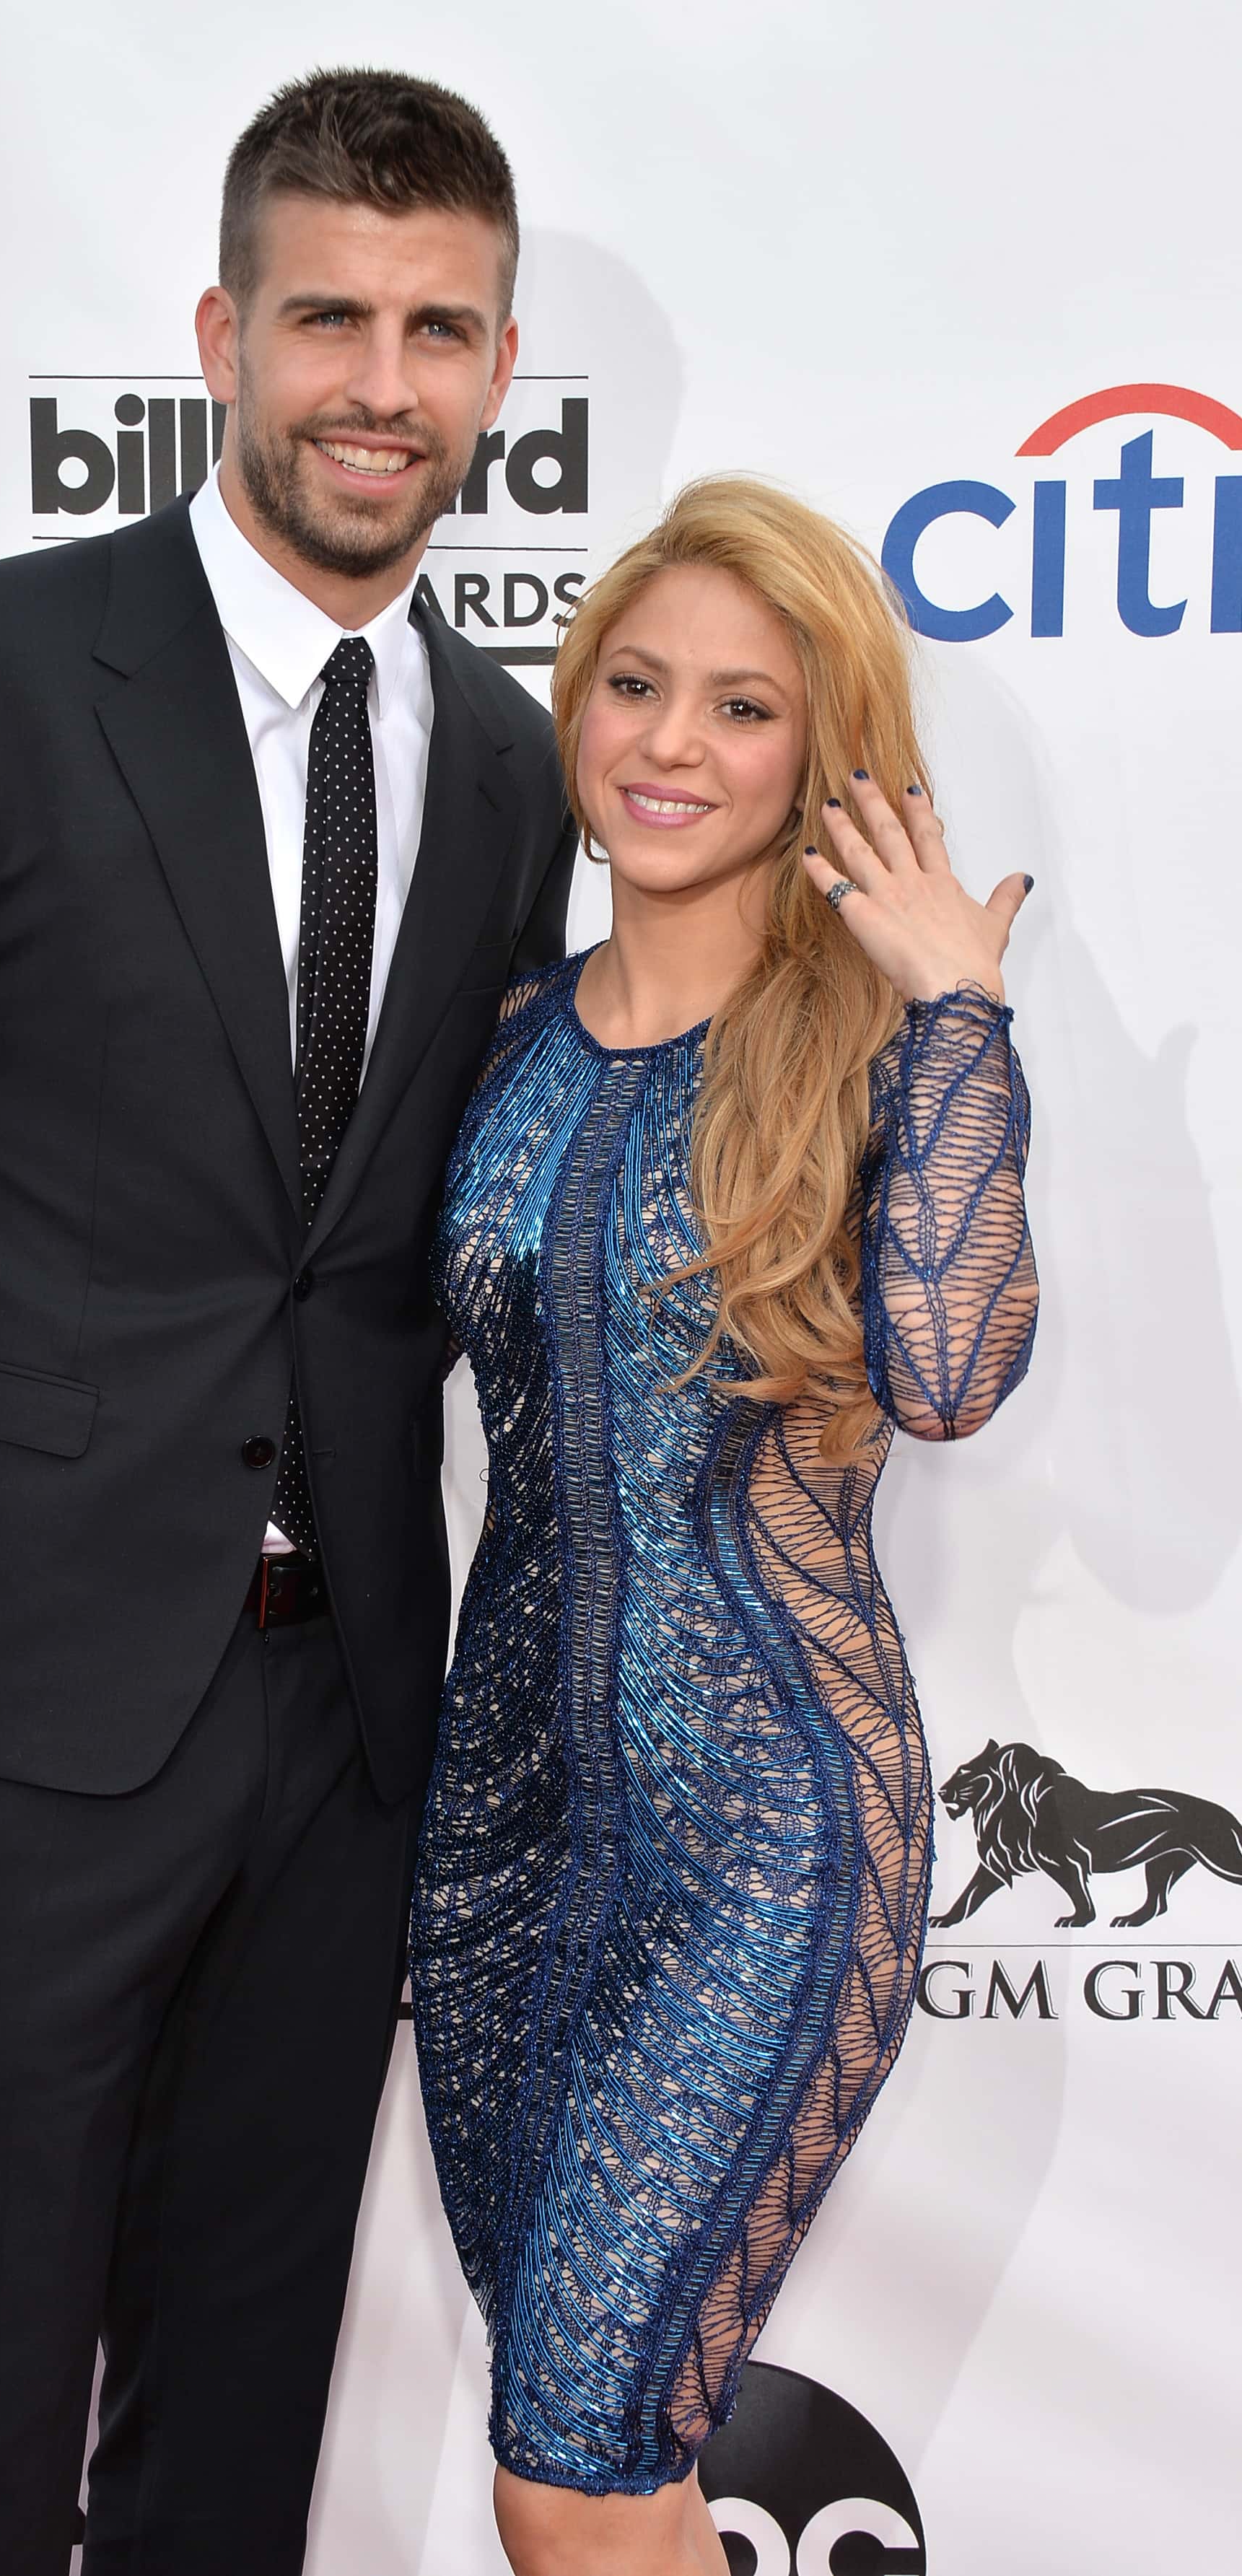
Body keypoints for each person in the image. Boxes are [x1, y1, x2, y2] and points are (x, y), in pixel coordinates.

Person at [0, 69, 573, 2576]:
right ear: (219, 333)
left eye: (437, 329)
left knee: (232, 2454)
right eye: (327, 320)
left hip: (344, 1731)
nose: (379, 383)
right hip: (4, 1724)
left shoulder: (511, 768)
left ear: (503, 368)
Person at [411, 478, 1038, 2576]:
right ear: (577, 708)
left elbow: (950, 1370)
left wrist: (962, 1013)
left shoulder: (868, 1048)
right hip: (501, 1835)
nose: (674, 742)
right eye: (640, 685)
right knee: (610, 2460)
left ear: (822, 752)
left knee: (569, 2471)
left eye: (744, 707)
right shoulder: (500, 1032)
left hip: (764, 1838)